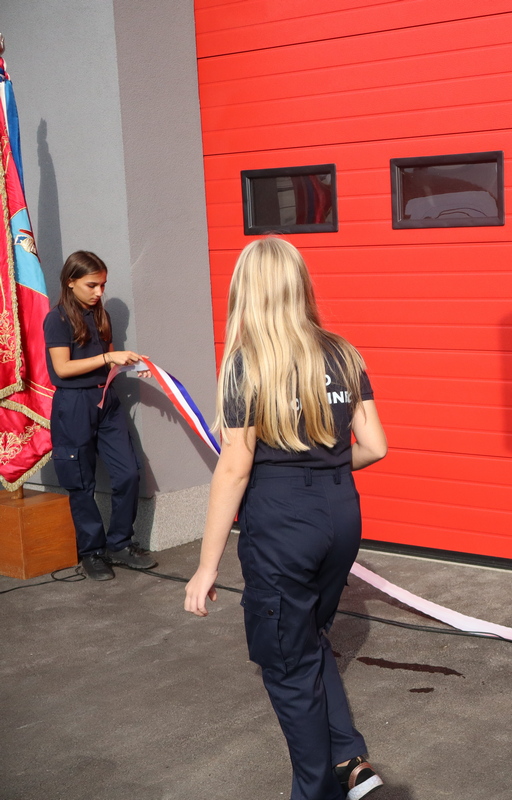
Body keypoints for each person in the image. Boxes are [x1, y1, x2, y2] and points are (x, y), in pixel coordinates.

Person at [183, 237, 388, 800]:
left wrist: (206, 566)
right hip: (341, 514)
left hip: (283, 523)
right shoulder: (343, 353)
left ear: (246, 292)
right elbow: (375, 446)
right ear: (300, 285)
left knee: (287, 665)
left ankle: (315, 791)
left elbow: (234, 469)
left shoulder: (246, 363)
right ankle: (350, 760)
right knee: (308, 638)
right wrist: (325, 466)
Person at [44, 250, 156, 581]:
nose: (98, 292)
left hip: (106, 401)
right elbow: (63, 368)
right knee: (81, 481)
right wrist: (109, 357)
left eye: (103, 285)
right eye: (92, 285)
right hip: (74, 404)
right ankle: (91, 552)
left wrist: (133, 363)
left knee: (128, 473)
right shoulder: (57, 319)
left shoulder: (100, 315)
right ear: (71, 282)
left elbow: (105, 362)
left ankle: (119, 544)